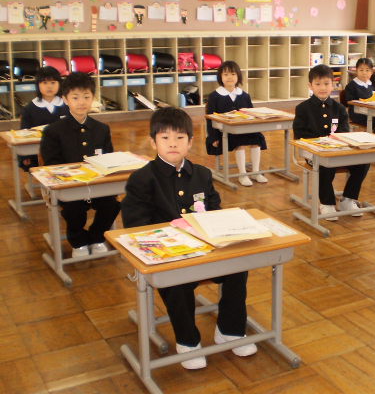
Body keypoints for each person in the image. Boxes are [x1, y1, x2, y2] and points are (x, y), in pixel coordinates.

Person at [121, 107, 256, 370]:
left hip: (207, 250)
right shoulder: (142, 179)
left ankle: (229, 330)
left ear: (190, 142)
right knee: (178, 281)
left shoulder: (202, 174)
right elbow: (135, 227)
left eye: (180, 137)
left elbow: (215, 212)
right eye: (165, 138)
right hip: (168, 255)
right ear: (153, 142)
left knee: (238, 266)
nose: (173, 144)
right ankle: (188, 341)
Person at [40, 72, 120, 258]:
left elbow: (108, 159)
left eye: (86, 97)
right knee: (73, 210)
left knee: (112, 205)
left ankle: (97, 237)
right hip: (69, 187)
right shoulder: (53, 131)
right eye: (75, 97)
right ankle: (78, 241)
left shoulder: (101, 129)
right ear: (65, 99)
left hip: (98, 185)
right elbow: (51, 165)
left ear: (93, 98)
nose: (81, 102)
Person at [293, 64, 370, 221]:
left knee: (363, 162)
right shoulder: (302, 108)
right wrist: (321, 143)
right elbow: (300, 134)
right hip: (313, 152)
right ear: (310, 86)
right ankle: (326, 202)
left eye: (326, 83)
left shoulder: (339, 108)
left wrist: (335, 143)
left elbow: (344, 131)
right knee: (324, 165)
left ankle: (348, 199)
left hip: (338, 150)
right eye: (318, 84)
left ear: (333, 85)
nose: (322, 88)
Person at [205, 61, 267, 187]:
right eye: (226, 74)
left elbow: (251, 113)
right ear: (220, 77)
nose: (230, 77)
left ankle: (255, 172)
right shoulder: (214, 96)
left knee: (257, 140)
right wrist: (213, 137)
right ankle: (242, 174)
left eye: (233, 74)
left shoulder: (244, 95)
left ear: (238, 76)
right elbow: (209, 118)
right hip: (224, 132)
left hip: (245, 129)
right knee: (240, 143)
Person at [18, 66, 70, 171]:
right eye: (45, 83)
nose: (49, 86)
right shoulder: (30, 108)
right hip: (38, 151)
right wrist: (25, 156)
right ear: (38, 85)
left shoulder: (67, 105)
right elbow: (24, 133)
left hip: (64, 149)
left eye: (53, 82)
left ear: (59, 84)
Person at [343, 57, 375, 138]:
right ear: (356, 71)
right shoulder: (351, 86)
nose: (364, 73)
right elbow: (349, 101)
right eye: (361, 70)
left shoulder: (372, 84)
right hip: (358, 114)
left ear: (371, 72)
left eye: (367, 70)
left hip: (373, 112)